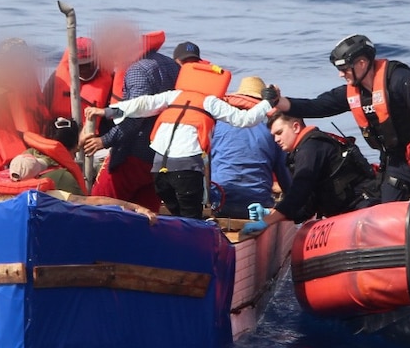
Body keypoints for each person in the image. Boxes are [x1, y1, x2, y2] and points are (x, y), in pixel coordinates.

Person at [83, 58, 276, 220]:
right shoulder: (211, 102)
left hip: (159, 170)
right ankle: (193, 249)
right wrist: (267, 102)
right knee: (191, 217)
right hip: (185, 170)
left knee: (177, 212)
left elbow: (141, 105)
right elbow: (245, 119)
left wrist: (106, 111)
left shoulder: (174, 96)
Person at [276, 34, 410, 203]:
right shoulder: (353, 93)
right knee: (386, 211)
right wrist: (281, 102)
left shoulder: (399, 79)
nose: (341, 74)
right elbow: (318, 105)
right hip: (396, 162)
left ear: (361, 63)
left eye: (344, 69)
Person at [82, 27, 178, 212]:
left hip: (133, 155)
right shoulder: (172, 65)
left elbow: (135, 117)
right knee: (145, 216)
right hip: (161, 158)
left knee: (99, 207)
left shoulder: (137, 71)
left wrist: (103, 140)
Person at [239, 110, 380, 235]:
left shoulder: (309, 149)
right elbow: (306, 207)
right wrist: (269, 212)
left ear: (295, 127)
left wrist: (267, 221)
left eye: (279, 133)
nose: (276, 140)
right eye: (273, 136)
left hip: (363, 208)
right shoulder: (302, 151)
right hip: (348, 212)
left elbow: (298, 193)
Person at [209, 76, 291, 219]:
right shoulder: (273, 129)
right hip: (258, 203)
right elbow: (285, 176)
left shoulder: (216, 124)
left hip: (220, 202)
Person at [42, 36, 114, 121]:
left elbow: (118, 113)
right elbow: (43, 108)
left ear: (97, 61)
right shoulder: (56, 79)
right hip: (59, 129)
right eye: (79, 65)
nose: (84, 70)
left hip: (93, 132)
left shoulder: (111, 81)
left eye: (88, 64)